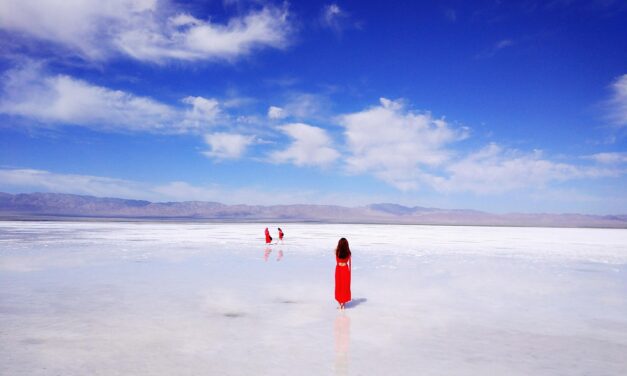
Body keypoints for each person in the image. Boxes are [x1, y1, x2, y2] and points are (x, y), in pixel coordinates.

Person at [335, 237, 352, 310]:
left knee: (339, 285)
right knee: (345, 286)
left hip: (338, 269)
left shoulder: (337, 252)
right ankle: (343, 303)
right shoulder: (348, 253)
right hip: (345, 269)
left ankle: (340, 302)